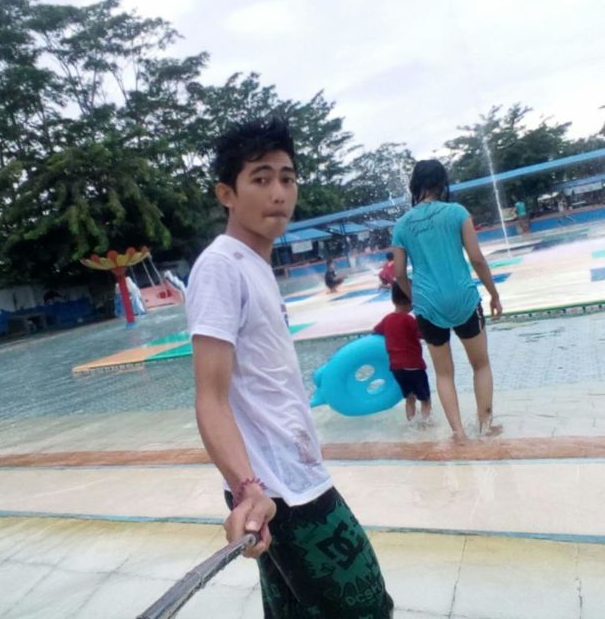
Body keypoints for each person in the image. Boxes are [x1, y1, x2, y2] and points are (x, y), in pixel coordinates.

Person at [186, 117, 394, 618]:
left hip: (282, 482)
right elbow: (209, 396)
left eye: (287, 178)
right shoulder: (221, 266)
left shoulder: (254, 265)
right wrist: (247, 489)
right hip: (280, 491)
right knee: (367, 607)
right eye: (260, 179)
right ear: (226, 194)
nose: (279, 192)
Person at [392, 159, 503, 442]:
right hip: (463, 298)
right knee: (480, 365)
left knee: (444, 374)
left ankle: (459, 434)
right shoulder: (457, 212)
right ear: (442, 183)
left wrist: (415, 297)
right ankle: (485, 426)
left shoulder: (402, 225)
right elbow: (477, 259)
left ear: (415, 185)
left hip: (428, 305)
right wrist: (494, 293)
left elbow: (399, 273)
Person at [374, 282, 431, 422]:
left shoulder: (387, 319)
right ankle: (426, 426)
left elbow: (376, 331)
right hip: (414, 366)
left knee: (410, 398)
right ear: (411, 299)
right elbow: (424, 335)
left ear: (393, 299)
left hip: (397, 368)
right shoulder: (409, 320)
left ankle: (411, 424)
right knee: (425, 399)